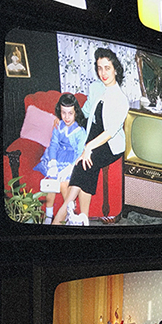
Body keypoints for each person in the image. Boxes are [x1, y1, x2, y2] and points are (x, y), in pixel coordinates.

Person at [53, 48, 128, 226]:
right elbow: (85, 112)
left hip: (110, 143)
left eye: (107, 68)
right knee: (86, 166)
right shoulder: (95, 87)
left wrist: (88, 148)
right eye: (99, 68)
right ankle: (83, 219)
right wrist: (64, 119)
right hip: (92, 134)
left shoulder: (121, 99)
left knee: (85, 163)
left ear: (116, 69)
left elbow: (110, 132)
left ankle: (60, 216)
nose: (103, 73)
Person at [34, 93, 87, 224]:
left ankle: (69, 212)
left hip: (71, 159)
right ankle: (48, 215)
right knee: (51, 181)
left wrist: (70, 168)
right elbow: (53, 144)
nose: (67, 117)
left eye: (70, 113)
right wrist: (52, 162)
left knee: (64, 183)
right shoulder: (58, 126)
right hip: (57, 156)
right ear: (60, 112)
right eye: (64, 113)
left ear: (76, 113)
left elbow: (79, 152)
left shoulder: (79, 131)